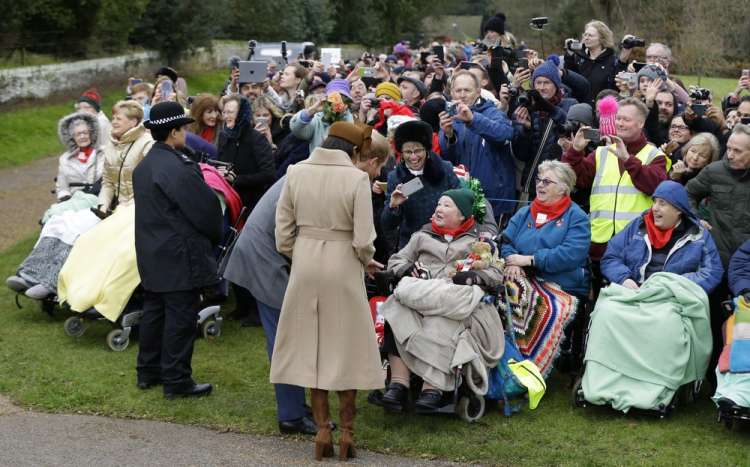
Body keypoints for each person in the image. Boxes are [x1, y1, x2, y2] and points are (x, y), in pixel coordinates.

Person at [271, 122, 386, 461]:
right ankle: (347, 433)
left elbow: (282, 233)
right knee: (345, 347)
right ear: (353, 151)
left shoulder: (296, 171)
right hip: (343, 265)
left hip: (305, 262)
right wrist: (366, 260)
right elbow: (364, 239)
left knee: (311, 346)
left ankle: (322, 430)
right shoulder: (355, 178)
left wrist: (304, 251)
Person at [380, 188, 504, 413]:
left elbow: (496, 273)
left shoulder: (478, 242)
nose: (438, 208)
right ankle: (399, 383)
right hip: (422, 293)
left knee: (444, 319)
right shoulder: (422, 236)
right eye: (438, 203)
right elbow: (396, 261)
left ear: (463, 216)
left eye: (447, 206)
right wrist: (408, 268)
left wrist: (475, 276)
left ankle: (433, 387)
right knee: (396, 308)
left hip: (453, 298)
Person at [133, 101, 223, 399]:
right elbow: (205, 210)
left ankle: (148, 372)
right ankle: (176, 380)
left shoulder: (145, 165)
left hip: (152, 250)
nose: (186, 134)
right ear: (173, 133)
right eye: (183, 129)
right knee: (180, 318)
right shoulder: (178, 167)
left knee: (154, 312)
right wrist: (214, 234)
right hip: (178, 254)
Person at [562, 97, 670, 286]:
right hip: (598, 244)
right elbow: (575, 181)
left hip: (634, 246)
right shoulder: (602, 152)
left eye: (626, 119)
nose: (619, 123)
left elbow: (654, 185)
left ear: (641, 123)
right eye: (618, 118)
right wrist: (575, 152)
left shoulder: (655, 156)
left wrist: (628, 159)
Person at [601, 180, 723, 294]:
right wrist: (624, 279)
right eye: (654, 201)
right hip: (633, 293)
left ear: (678, 210)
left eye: (662, 203)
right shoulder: (638, 226)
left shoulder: (698, 234)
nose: (654, 208)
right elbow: (610, 257)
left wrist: (673, 285)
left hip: (673, 298)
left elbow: (713, 272)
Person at [501, 161, 591, 297]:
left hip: (561, 286)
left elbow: (571, 254)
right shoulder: (525, 212)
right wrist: (513, 262)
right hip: (522, 278)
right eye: (539, 180)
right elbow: (506, 241)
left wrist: (531, 260)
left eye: (547, 182)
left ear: (562, 189)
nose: (539, 185)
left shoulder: (577, 217)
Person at [439, 70, 515, 218]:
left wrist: (472, 119)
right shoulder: (450, 116)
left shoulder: (492, 112)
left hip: (493, 197)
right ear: (451, 93)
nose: (462, 95)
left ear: (478, 91)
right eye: (458, 90)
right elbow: (449, 158)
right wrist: (449, 135)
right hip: (463, 196)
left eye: (467, 90)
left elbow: (505, 134)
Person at [381, 120, 461, 248]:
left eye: (418, 151)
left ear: (427, 150)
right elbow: (387, 225)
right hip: (412, 245)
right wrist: (393, 206)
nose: (413, 157)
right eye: (408, 152)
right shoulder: (395, 177)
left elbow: (461, 201)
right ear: (401, 153)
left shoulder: (444, 169)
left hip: (445, 241)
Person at [513, 59, 578, 196]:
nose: (542, 87)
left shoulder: (570, 105)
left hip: (558, 184)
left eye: (547, 82)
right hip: (531, 182)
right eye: (538, 83)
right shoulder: (527, 108)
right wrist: (526, 130)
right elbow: (521, 154)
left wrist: (548, 108)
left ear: (556, 85)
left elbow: (571, 130)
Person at [217, 95, 275, 212]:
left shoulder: (257, 139)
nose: (226, 116)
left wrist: (237, 179)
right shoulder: (224, 136)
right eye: (224, 112)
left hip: (250, 203)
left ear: (242, 114)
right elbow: (220, 162)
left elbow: (268, 174)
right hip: (227, 197)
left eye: (231, 112)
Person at [96, 100, 154, 215]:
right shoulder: (110, 145)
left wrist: (130, 206)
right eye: (113, 118)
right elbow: (108, 182)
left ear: (133, 122)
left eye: (119, 119)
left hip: (144, 208)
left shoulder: (147, 143)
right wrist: (102, 206)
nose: (113, 122)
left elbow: (151, 182)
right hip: (120, 208)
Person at [563, 20, 628, 103]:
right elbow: (569, 81)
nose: (586, 38)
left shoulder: (612, 61)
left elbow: (618, 87)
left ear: (602, 39)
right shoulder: (578, 58)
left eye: (590, 35)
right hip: (581, 108)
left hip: (605, 108)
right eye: (585, 35)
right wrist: (569, 55)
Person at [290, 79, 354, 153]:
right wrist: (312, 110)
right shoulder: (318, 119)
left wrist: (342, 114)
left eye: (342, 97)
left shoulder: (351, 120)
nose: (336, 101)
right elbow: (297, 130)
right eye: (332, 98)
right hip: (317, 163)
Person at [55, 111, 104, 202]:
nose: (82, 137)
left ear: (91, 133)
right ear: (72, 137)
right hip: (75, 201)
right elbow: (62, 188)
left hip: (100, 199)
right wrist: (65, 199)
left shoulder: (103, 153)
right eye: (78, 134)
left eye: (85, 133)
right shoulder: (64, 159)